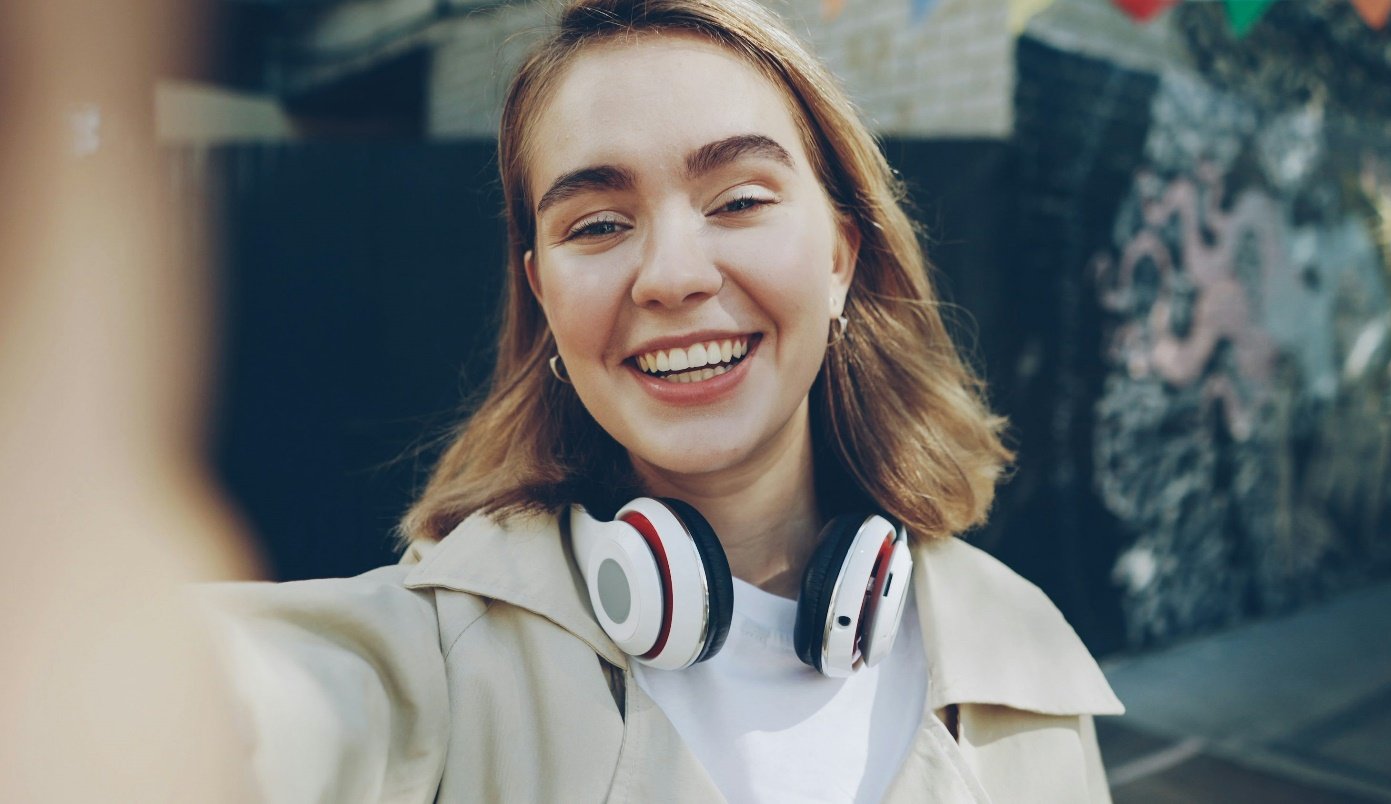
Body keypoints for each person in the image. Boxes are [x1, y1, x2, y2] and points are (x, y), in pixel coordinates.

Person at [207, 0, 1123, 801]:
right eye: (598, 223)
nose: (672, 276)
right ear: (541, 296)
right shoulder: (436, 660)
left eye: (738, 200)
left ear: (840, 257)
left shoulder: (1023, 663)